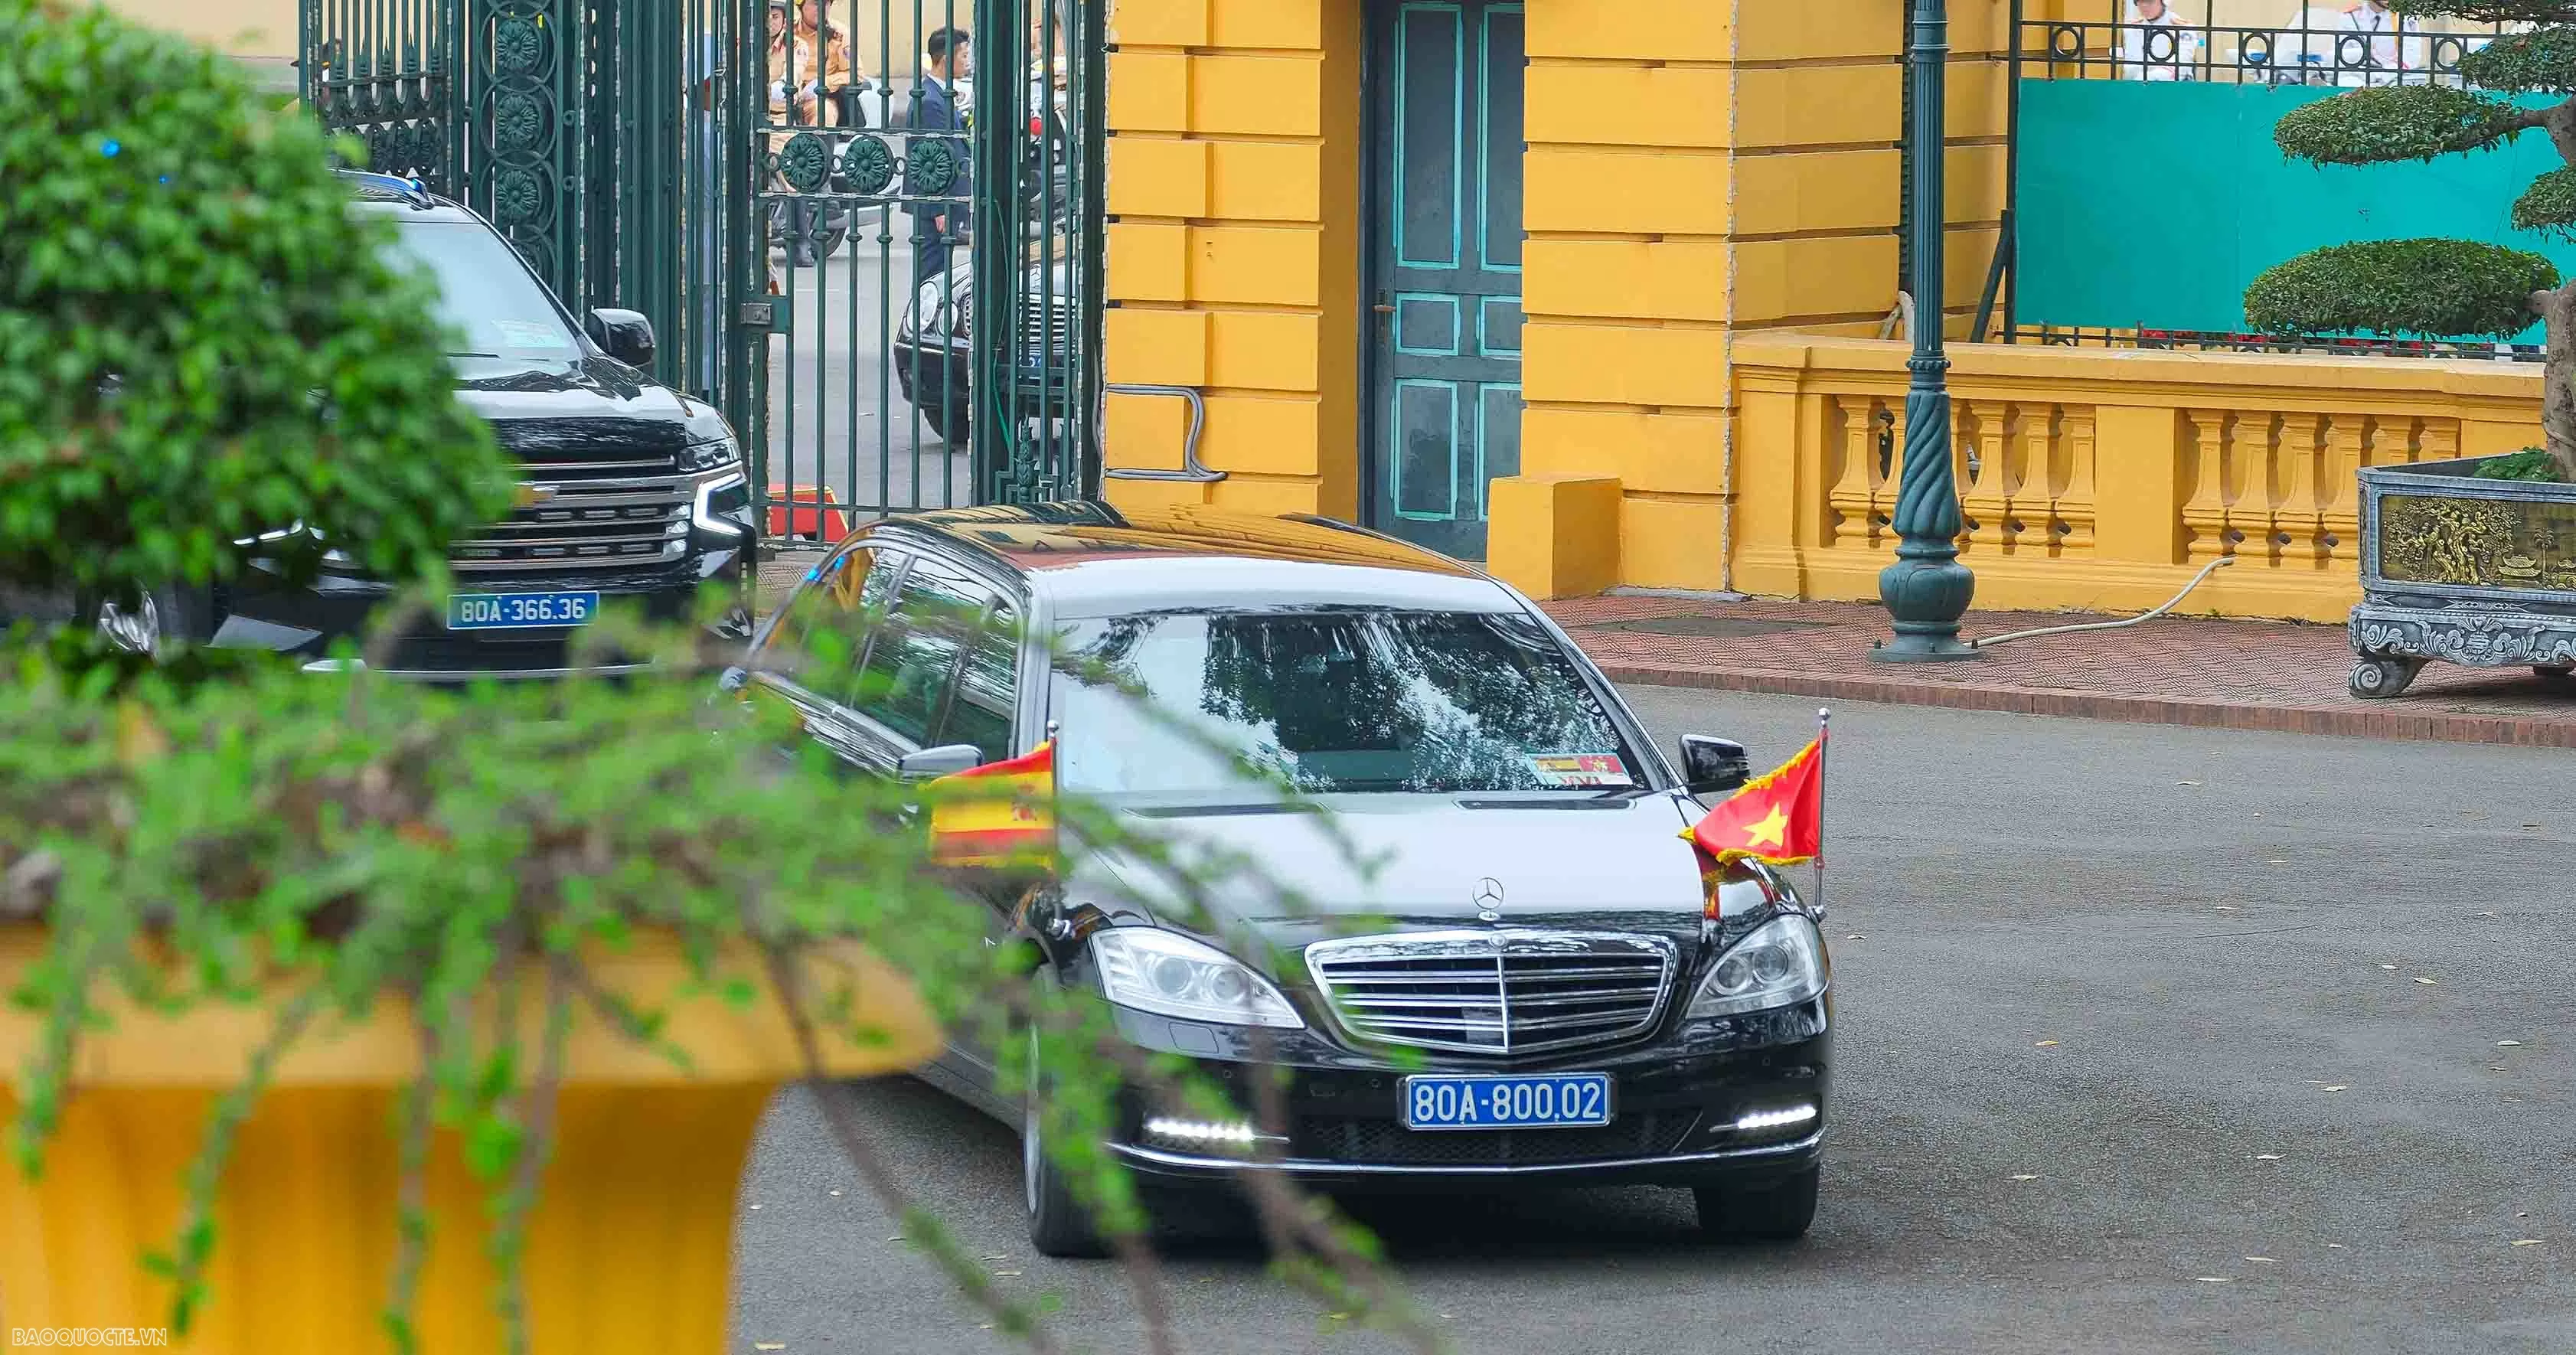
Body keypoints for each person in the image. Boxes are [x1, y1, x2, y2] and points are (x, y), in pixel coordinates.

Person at [906, 26, 971, 289]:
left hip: (944, 202)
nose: (967, 62)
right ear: (946, 59)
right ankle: (923, 327)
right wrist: (939, 208)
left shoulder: (937, 94)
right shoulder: (930, 101)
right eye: (964, 56)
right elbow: (930, 161)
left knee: (938, 272)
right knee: (931, 276)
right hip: (937, 205)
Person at [795, 0, 864, 126]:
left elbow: (856, 74)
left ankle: (820, 146)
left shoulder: (840, 34)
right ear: (801, 6)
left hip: (820, 98)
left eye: (826, 3)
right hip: (787, 96)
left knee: (824, 113)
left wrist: (824, 83)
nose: (822, 8)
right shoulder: (787, 31)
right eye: (816, 3)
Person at [2338, 0, 2428, 86]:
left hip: (2392, 78)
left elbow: (2411, 57)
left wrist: (2383, 74)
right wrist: (2365, 53)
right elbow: (2341, 55)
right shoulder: (2350, 16)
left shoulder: (2405, 17)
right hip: (2357, 77)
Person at [2114, 0, 2199, 81]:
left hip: (2171, 89)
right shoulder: (2131, 29)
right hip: (2136, 88)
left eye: (2150, 1)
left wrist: (2147, 77)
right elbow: (2128, 65)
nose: (2144, 5)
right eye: (2139, 1)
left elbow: (2181, 66)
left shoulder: (2183, 29)